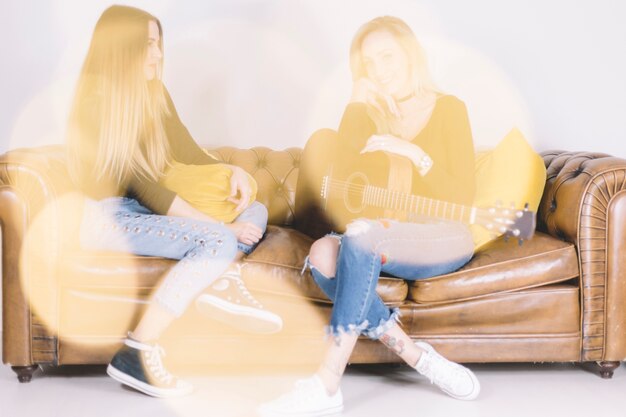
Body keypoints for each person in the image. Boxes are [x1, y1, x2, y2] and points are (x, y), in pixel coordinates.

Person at [258, 16, 480, 416]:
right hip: (383, 236)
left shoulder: (450, 109)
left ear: (411, 54)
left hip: (443, 235)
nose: (379, 70)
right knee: (325, 252)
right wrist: (355, 105)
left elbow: (462, 197)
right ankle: (417, 356)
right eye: (368, 64)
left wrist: (413, 153)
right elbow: (342, 190)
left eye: (387, 57)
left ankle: (326, 381)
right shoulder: (370, 114)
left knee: (362, 237)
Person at [66, 5, 281, 398]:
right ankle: (137, 352)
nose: (159, 54)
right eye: (149, 44)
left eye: (158, 43)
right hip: (108, 218)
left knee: (257, 210)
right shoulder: (98, 103)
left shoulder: (153, 93)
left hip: (141, 212)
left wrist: (232, 171)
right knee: (218, 240)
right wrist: (220, 229)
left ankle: (220, 275)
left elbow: (187, 151)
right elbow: (144, 187)